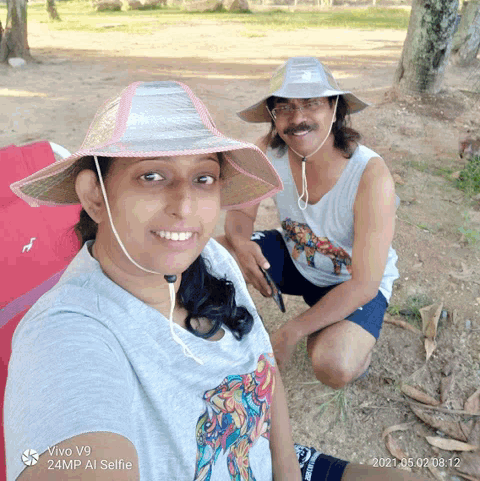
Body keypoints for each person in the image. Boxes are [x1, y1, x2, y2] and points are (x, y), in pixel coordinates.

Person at [5, 81, 421, 481]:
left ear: (334, 109)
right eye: (152, 176)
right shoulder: (65, 336)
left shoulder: (209, 258)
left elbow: (262, 365)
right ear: (95, 195)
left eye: (203, 178)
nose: (185, 206)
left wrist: (287, 471)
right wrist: (244, 243)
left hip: (258, 447)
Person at [220, 57, 399, 389]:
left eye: (311, 104)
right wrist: (243, 245)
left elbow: (364, 284)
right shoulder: (267, 153)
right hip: (298, 258)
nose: (297, 118)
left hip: (350, 281)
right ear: (273, 117)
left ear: (335, 109)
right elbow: (240, 217)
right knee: (214, 251)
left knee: (334, 365)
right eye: (285, 107)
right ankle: (217, 332)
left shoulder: (369, 175)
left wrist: (292, 330)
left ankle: (347, 336)